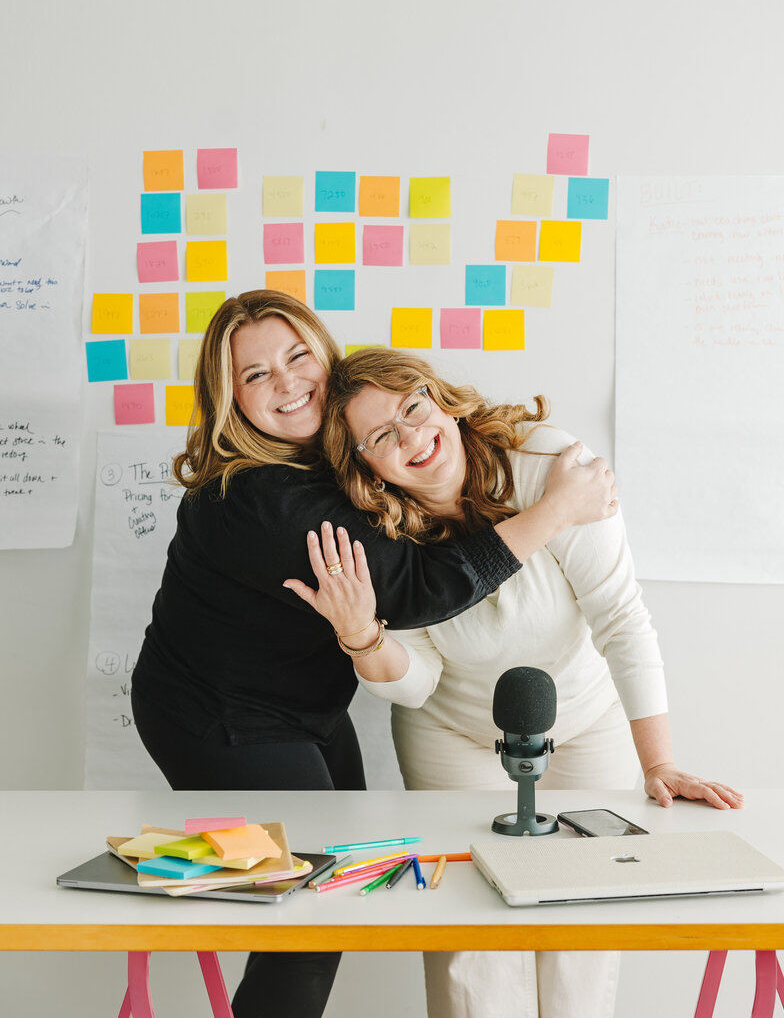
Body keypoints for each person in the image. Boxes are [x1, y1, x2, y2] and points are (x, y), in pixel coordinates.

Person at [130, 290, 620, 1018]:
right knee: (315, 908)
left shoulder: (337, 458)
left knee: (354, 879)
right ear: (229, 399)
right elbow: (417, 587)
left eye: (298, 356)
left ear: (327, 355)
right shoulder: (265, 495)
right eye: (256, 375)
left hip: (305, 707)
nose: (288, 381)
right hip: (221, 715)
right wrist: (552, 511)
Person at [286, 347, 744, 1018]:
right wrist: (362, 637)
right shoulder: (380, 535)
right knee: (474, 933)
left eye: (414, 407)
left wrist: (662, 762)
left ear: (441, 399)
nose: (412, 435)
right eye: (383, 435)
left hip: (584, 719)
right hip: (453, 731)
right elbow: (416, 684)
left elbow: (621, 618)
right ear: (367, 467)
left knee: (580, 918)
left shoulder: (551, 467)